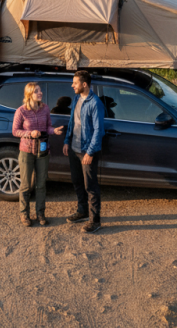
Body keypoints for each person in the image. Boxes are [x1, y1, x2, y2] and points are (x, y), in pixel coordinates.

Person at [12, 82, 66, 227]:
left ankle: (40, 213)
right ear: (29, 94)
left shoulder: (45, 108)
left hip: (42, 151)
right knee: (25, 185)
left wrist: (54, 131)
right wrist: (30, 134)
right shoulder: (21, 111)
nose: (40, 93)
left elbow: (47, 127)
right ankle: (24, 214)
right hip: (26, 151)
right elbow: (15, 131)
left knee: (41, 184)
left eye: (40, 90)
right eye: (37, 91)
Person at [62, 70, 106, 233]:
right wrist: (67, 140)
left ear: (84, 84)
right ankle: (82, 211)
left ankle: (95, 220)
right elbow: (72, 122)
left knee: (91, 186)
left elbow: (98, 130)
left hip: (87, 151)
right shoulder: (76, 99)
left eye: (75, 83)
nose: (72, 85)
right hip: (74, 148)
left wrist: (90, 152)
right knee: (77, 181)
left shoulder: (95, 103)